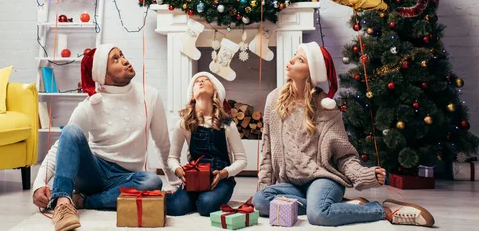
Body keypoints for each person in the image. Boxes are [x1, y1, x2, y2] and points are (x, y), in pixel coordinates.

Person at [253, 42, 435, 227]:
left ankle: (383, 211)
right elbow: (267, 149)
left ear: (311, 71)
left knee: (318, 216)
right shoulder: (274, 100)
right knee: (260, 201)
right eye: (294, 55)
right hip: (291, 185)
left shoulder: (326, 108)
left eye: (300, 60)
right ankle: (335, 206)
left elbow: (344, 156)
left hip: (322, 179)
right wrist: (265, 186)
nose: (291, 61)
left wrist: (365, 175)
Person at [32, 44, 178, 231]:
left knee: (152, 182)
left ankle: (84, 201)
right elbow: (61, 146)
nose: (125, 60)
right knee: (71, 131)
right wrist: (39, 184)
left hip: (126, 178)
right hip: (93, 171)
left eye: (122, 54)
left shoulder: (150, 96)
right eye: (115, 59)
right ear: (104, 75)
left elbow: (163, 144)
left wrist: (174, 183)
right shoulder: (90, 105)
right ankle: (62, 203)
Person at [166, 72, 247, 216]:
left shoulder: (227, 125)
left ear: (215, 91)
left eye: (205, 80)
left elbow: (242, 160)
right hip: (193, 178)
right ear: (192, 94)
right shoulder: (184, 124)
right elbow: (172, 157)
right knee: (175, 208)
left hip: (221, 179)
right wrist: (178, 169)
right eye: (197, 81)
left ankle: (197, 199)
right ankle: (186, 198)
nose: (201, 82)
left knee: (206, 206)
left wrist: (225, 173)